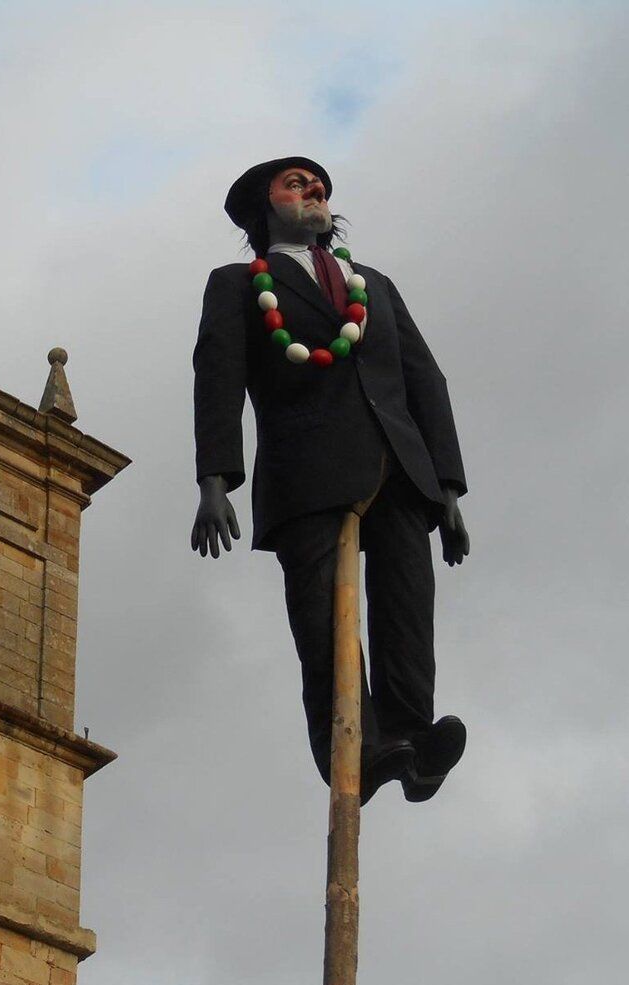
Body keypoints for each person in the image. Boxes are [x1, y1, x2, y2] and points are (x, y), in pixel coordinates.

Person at [190, 157, 471, 803]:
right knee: (323, 624)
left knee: (407, 608)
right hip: (307, 467)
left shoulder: (372, 283)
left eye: (318, 184)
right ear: (264, 206)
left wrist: (449, 485)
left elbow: (424, 378)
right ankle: (357, 750)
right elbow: (218, 376)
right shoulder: (238, 283)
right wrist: (214, 478)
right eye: (296, 183)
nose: (314, 189)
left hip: (398, 466)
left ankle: (413, 740)